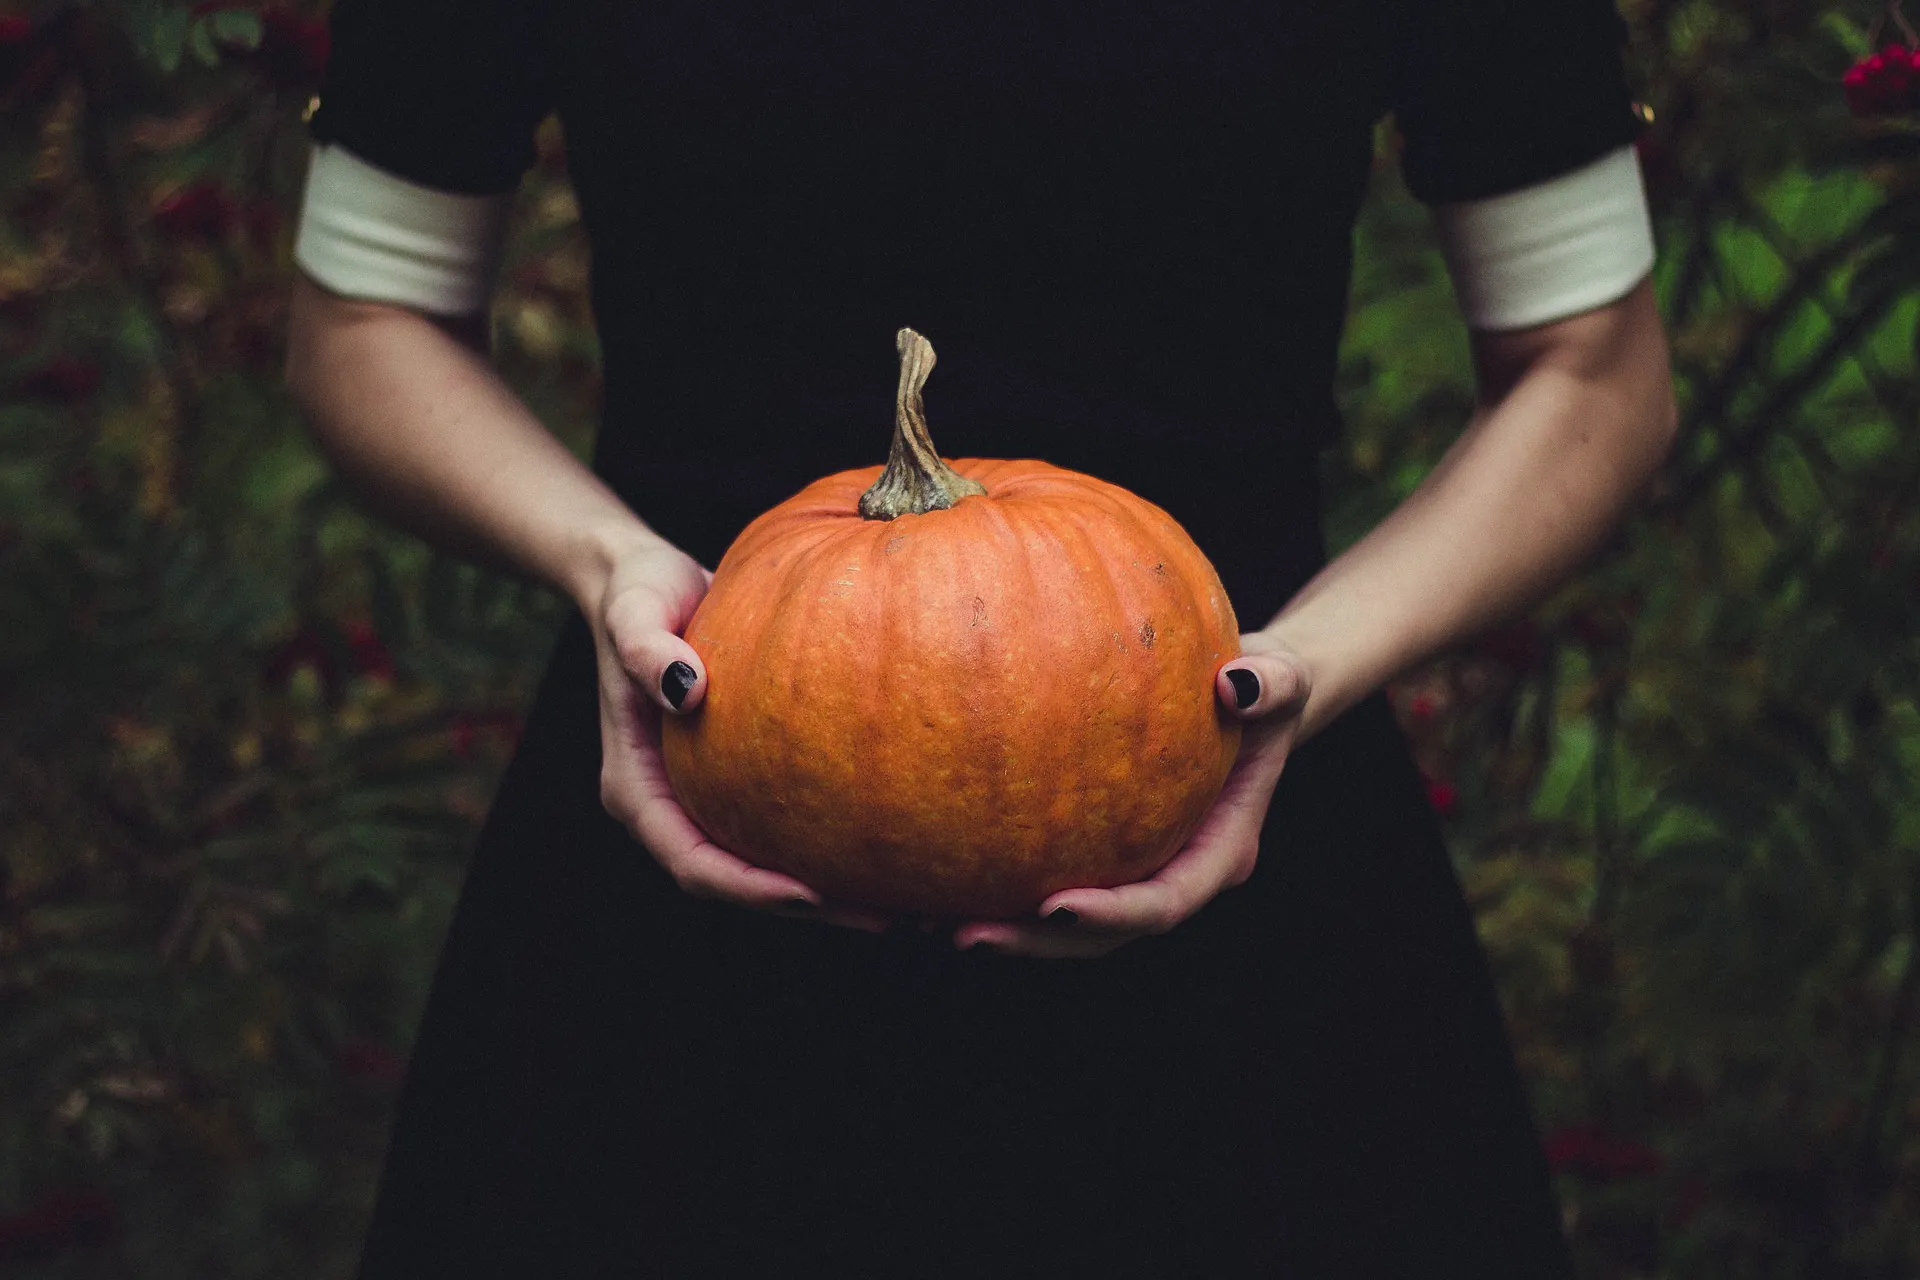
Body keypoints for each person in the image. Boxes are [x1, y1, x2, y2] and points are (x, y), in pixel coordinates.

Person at [284, 0, 1677, 1273]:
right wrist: (607, 569)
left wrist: (1305, 668)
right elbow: (364, 317)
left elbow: (1595, 370)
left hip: (1238, 809)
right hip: (695, 786)